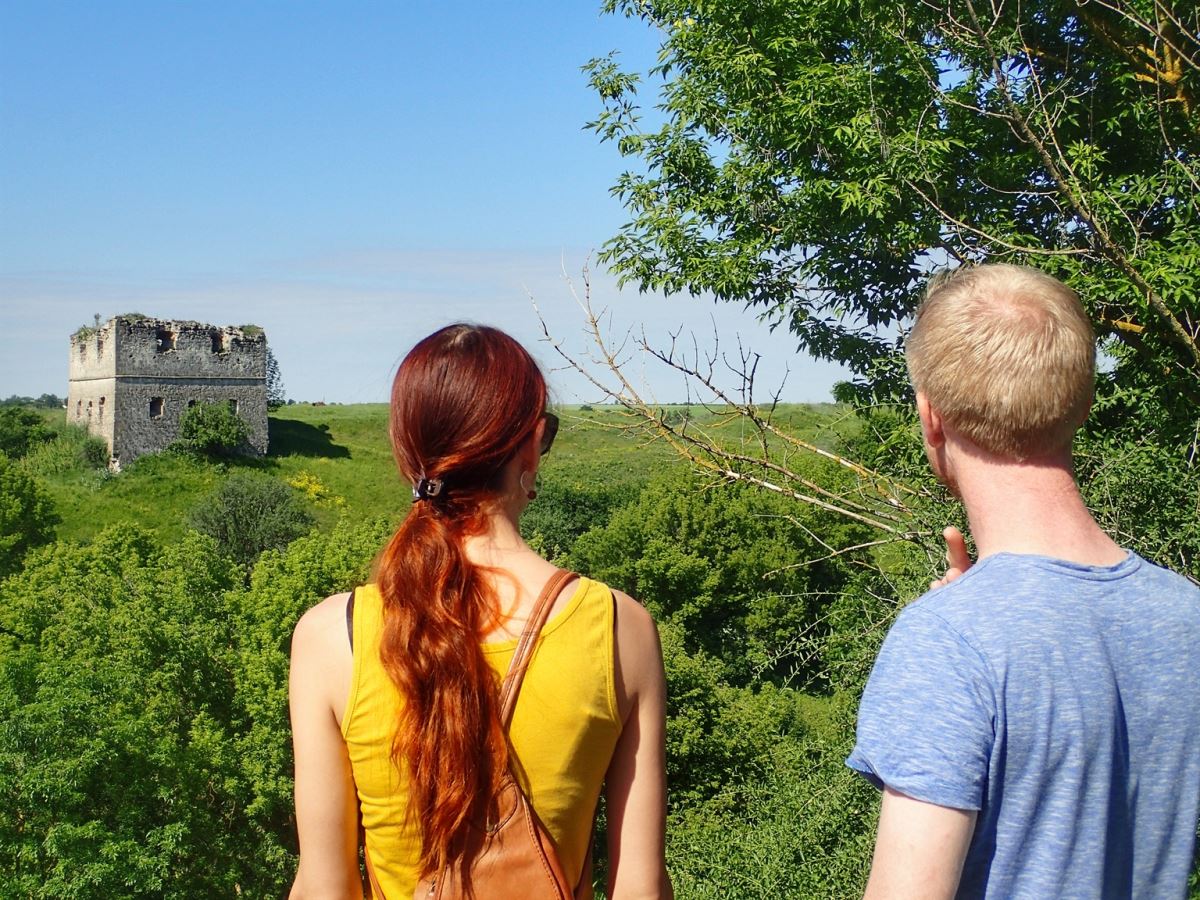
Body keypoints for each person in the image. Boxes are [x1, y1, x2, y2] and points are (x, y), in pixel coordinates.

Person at [847, 264, 1200, 898]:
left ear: (931, 417)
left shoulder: (947, 641)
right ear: (1083, 403)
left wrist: (954, 634)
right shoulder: (1187, 614)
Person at [287, 323, 672, 899]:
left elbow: (324, 887)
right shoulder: (620, 627)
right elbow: (640, 890)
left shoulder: (329, 638)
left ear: (406, 455)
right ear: (529, 446)